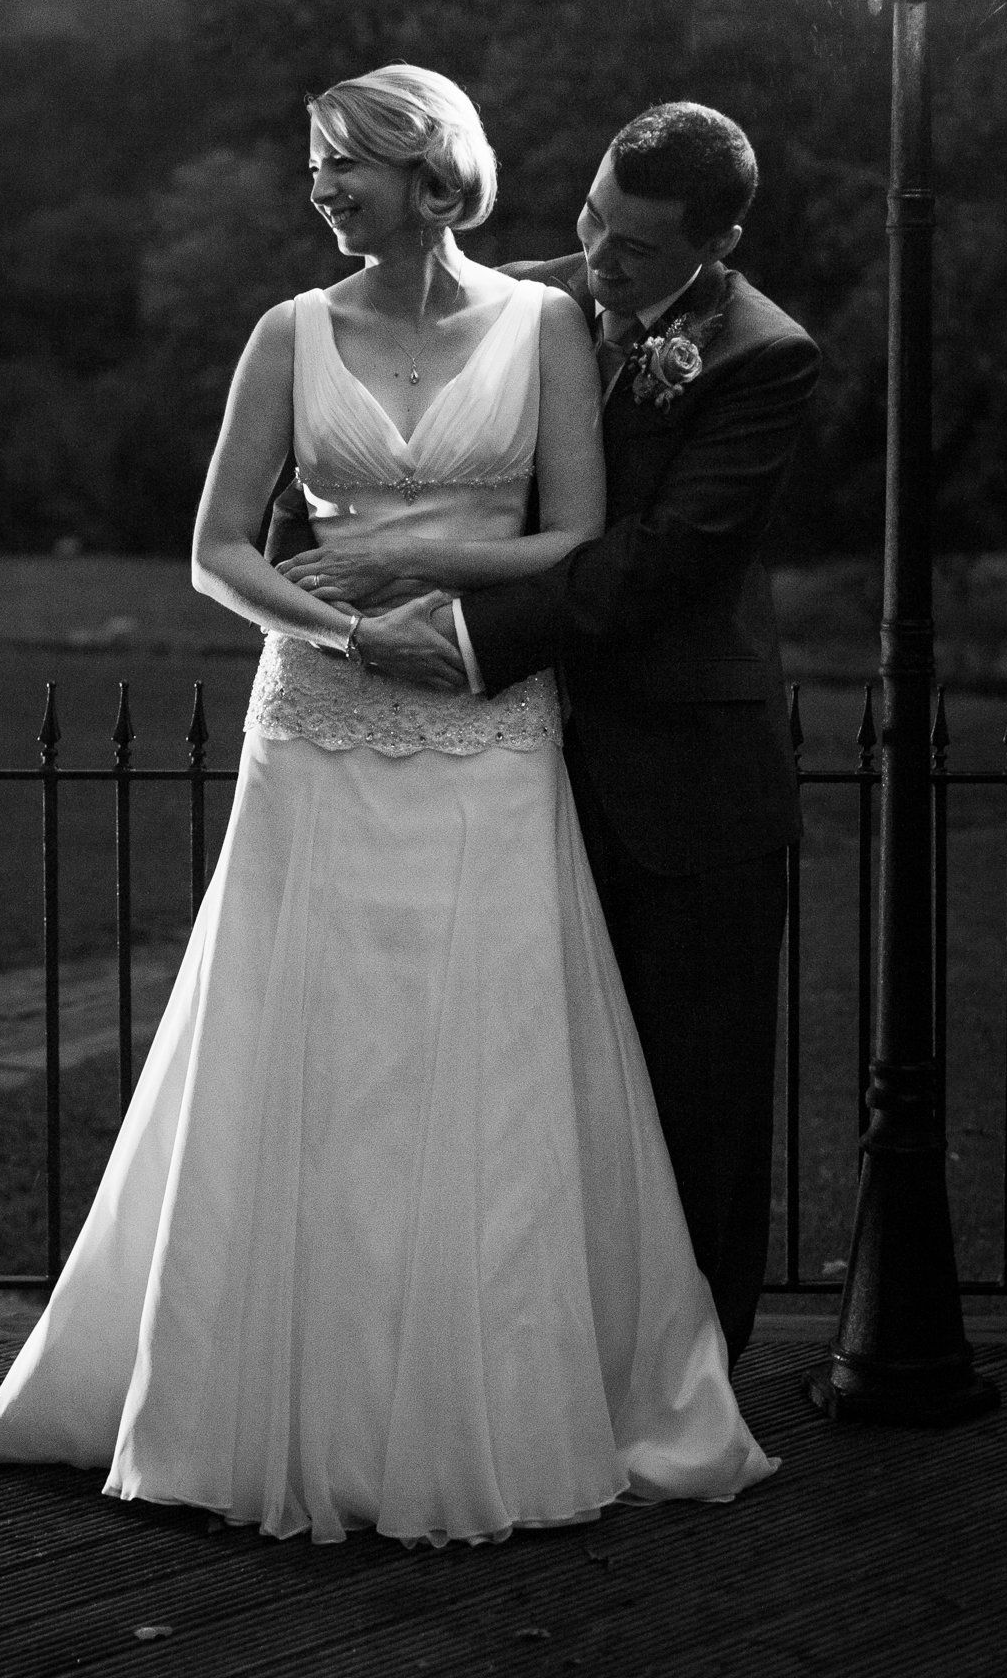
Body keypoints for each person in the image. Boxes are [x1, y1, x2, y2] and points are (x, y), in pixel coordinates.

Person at [0, 66, 775, 1544]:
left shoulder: (541, 330)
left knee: (483, 1051)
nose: (319, 184)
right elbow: (215, 553)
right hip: (316, 722)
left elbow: (578, 534)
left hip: (480, 731)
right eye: (314, 162)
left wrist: (428, 577)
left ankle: (487, 1396)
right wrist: (338, 630)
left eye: (344, 160)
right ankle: (248, 1390)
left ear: (428, 171)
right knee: (294, 1050)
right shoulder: (283, 333)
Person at [306, 101, 820, 1367]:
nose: (598, 256)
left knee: (692, 1103)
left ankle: (690, 1381)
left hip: (684, 789)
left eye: (635, 248)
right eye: (592, 216)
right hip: (514, 771)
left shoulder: (763, 357)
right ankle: (537, 1370)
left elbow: (659, 567)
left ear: (720, 240)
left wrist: (470, 639)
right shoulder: (531, 303)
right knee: (532, 1087)